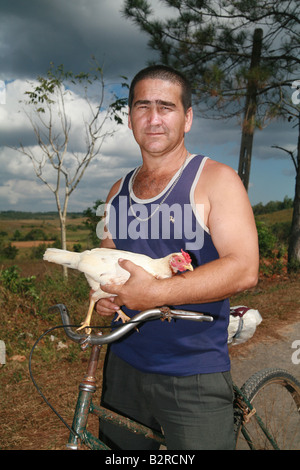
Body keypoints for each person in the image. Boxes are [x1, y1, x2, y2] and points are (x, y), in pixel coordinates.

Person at [95, 65, 259, 450]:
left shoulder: (216, 179)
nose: (153, 119)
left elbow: (244, 268)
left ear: (187, 118)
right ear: (131, 116)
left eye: (166, 107)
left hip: (194, 371)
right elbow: (107, 259)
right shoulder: (117, 191)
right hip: (123, 361)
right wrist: (103, 292)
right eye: (142, 106)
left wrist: (153, 293)